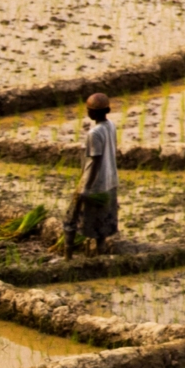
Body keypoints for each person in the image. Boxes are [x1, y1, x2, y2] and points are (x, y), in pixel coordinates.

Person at [63, 92, 119, 258]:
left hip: (95, 184)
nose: (87, 112)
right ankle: (100, 254)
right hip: (110, 181)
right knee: (101, 224)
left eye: (88, 109)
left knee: (70, 219)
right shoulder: (111, 126)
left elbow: (94, 161)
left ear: (92, 113)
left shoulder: (94, 134)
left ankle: (67, 257)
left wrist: (85, 188)